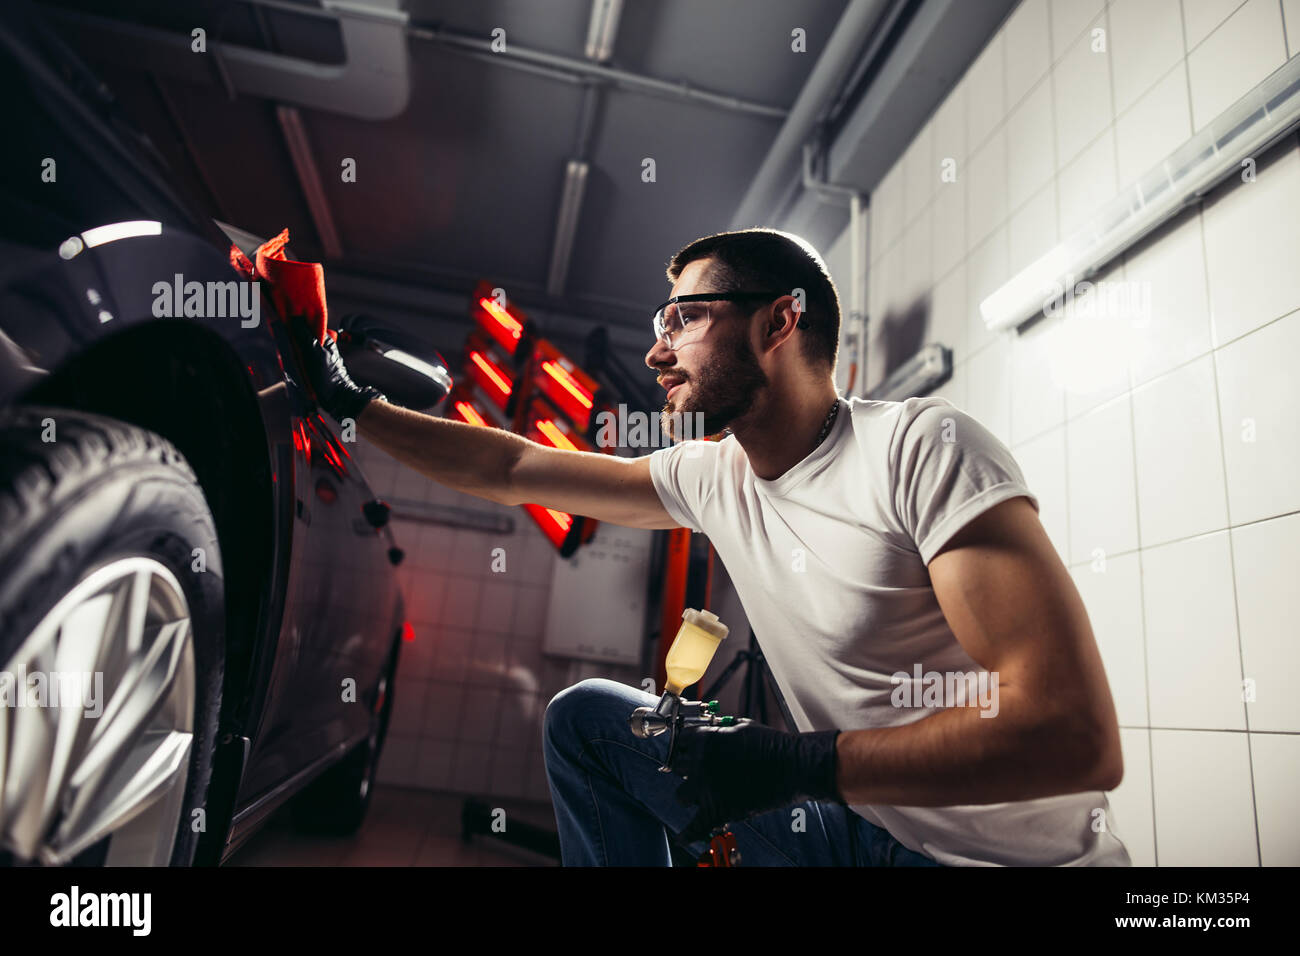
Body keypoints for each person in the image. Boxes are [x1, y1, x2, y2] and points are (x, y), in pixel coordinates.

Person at [291, 227, 1131, 867]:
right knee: (587, 723)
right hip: (855, 829)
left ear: (779, 321)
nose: (657, 350)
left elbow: (1073, 733)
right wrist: (348, 400)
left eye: (685, 319)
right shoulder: (711, 474)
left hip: (1000, 862)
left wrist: (791, 763)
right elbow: (515, 465)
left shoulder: (921, 450)